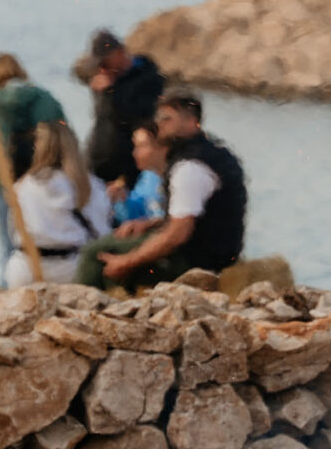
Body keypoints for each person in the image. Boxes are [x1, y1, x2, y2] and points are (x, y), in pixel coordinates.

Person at [75, 91, 247, 289]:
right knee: (117, 243)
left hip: (195, 260)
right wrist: (152, 224)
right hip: (215, 251)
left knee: (97, 253)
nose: (159, 124)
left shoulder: (190, 166)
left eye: (167, 119)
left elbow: (178, 234)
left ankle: (79, 310)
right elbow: (198, 218)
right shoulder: (211, 153)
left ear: (192, 122)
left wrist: (127, 261)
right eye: (159, 118)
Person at [0, 54, 69, 286]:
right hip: (45, 180)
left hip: (2, 182)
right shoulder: (44, 98)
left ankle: (11, 293)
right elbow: (65, 136)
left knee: (10, 245)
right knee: (52, 237)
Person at [1, 122, 110, 289]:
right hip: (71, 270)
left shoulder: (22, 186)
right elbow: (101, 232)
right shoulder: (88, 186)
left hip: (26, 268)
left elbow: (13, 230)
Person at [74, 28, 165, 193]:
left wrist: (111, 92)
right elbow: (77, 71)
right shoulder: (106, 77)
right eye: (100, 64)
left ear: (120, 52)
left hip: (128, 167)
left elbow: (137, 118)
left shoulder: (148, 78)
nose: (103, 68)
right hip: (96, 162)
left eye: (105, 62)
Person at [113, 121, 169, 230]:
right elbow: (135, 212)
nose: (134, 153)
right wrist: (122, 199)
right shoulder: (148, 176)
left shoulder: (178, 175)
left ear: (162, 147)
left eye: (141, 146)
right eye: (135, 146)